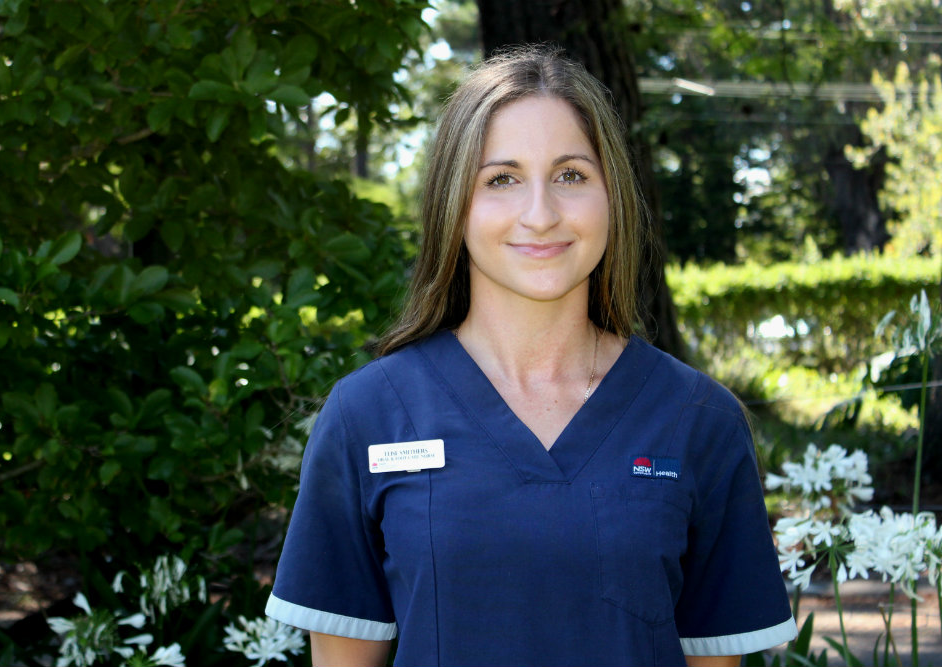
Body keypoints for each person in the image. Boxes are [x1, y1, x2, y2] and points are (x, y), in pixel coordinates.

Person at [266, 45, 797, 667]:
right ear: (452, 205)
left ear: (613, 196)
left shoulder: (699, 419)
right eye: (502, 179)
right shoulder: (368, 415)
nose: (540, 214)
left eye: (571, 175)